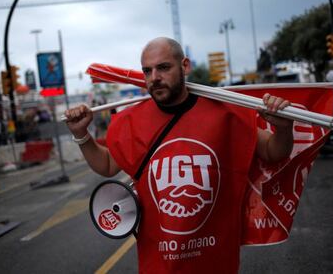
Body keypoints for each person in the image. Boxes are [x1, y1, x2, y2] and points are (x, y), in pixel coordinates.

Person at [65, 37, 294, 274]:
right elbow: (107, 164)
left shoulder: (225, 112)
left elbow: (272, 151)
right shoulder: (130, 122)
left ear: (184, 66)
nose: (154, 77)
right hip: (159, 264)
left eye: (163, 67)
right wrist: (81, 135)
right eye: (147, 71)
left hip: (216, 261)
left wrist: (284, 128)